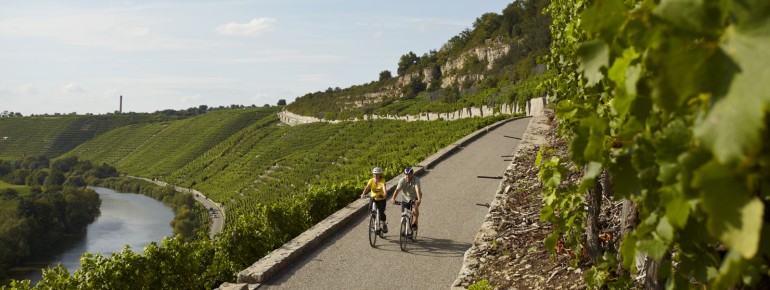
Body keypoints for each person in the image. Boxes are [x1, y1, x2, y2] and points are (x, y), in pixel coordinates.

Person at [391, 167, 422, 232]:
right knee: (403, 214)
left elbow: (417, 190)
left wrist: (419, 199)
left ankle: (415, 223)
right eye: (406, 174)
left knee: (415, 209)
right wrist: (393, 198)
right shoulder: (402, 180)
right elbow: (397, 190)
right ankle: (406, 229)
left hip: (415, 197)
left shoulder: (416, 180)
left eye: (409, 174)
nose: (407, 176)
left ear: (412, 174)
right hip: (405, 198)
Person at [361, 167, 388, 233]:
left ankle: (384, 224)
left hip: (381, 198)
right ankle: (372, 222)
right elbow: (367, 187)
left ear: (380, 174)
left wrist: (385, 194)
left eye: (377, 174)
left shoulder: (382, 181)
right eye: (374, 174)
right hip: (373, 198)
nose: (376, 175)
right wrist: (363, 194)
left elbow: (384, 188)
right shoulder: (371, 180)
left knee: (381, 213)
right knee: (370, 210)